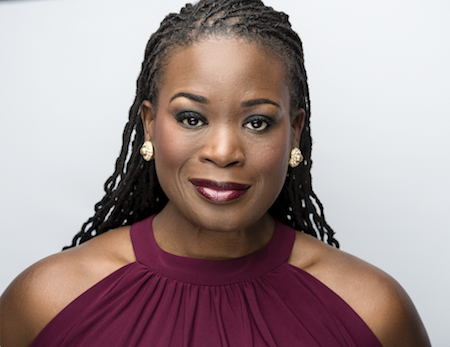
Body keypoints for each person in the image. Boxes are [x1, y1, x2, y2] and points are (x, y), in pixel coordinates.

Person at [0, 0, 431, 346]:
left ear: (294, 132)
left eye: (257, 122)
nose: (223, 152)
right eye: (191, 118)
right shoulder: (47, 302)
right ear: (150, 123)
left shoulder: (373, 312)